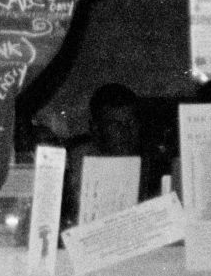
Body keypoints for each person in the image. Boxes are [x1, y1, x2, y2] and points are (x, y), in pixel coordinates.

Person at [61, 83, 166, 228]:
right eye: (115, 125)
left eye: (131, 122)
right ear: (96, 129)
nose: (126, 131)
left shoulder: (155, 166)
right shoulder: (73, 169)